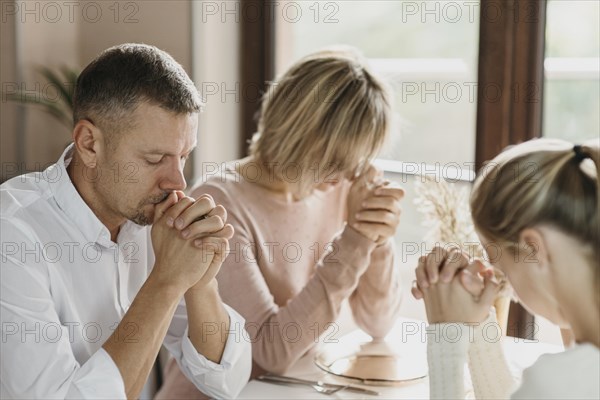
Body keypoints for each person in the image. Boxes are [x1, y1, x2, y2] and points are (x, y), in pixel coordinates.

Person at [0, 43, 251, 399]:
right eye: (154, 159)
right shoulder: (12, 236)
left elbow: (225, 380)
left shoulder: (152, 218)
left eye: (183, 156)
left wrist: (200, 280)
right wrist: (165, 282)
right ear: (89, 143)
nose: (177, 181)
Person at [156, 46, 404, 398]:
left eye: (358, 158)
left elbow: (378, 324)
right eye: (337, 158)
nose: (349, 173)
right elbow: (270, 352)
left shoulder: (337, 184)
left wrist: (377, 237)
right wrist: (357, 238)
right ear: (296, 132)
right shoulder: (219, 203)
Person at [412, 138, 599, 399]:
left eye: (504, 270)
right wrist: (477, 327)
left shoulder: (560, 381)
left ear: (534, 249)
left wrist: (446, 334)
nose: (505, 285)